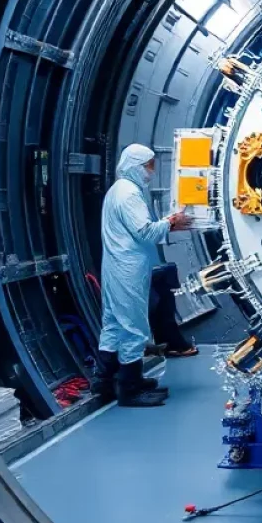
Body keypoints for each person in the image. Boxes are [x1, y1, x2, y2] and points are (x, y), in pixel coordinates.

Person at [91, 144, 191, 408]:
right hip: (128, 269)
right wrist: (171, 222)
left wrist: (167, 224)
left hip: (115, 267)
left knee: (113, 324)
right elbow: (145, 232)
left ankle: (103, 382)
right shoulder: (130, 194)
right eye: (149, 166)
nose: (151, 171)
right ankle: (130, 389)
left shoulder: (117, 190)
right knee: (134, 327)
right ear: (135, 166)